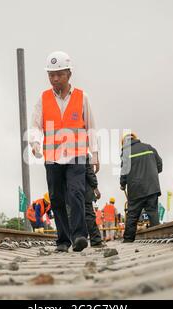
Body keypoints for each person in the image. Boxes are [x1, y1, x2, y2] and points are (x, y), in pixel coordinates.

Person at [29, 51, 99, 252]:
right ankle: (63, 240)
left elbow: (91, 127)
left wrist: (94, 154)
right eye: (51, 75)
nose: (55, 79)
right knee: (57, 197)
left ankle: (79, 236)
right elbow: (35, 124)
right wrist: (34, 142)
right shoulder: (43, 98)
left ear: (69, 74)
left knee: (76, 192)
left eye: (59, 74)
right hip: (52, 156)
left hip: (77, 154)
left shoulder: (81, 96)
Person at [120, 133, 162, 242]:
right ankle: (157, 237)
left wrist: (122, 184)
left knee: (132, 215)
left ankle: (128, 240)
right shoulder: (149, 147)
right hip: (152, 187)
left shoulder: (126, 153)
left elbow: (124, 171)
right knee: (153, 213)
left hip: (135, 189)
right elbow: (160, 165)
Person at [84, 156, 104, 247]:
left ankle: (76, 239)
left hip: (70, 191)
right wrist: (95, 187)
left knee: (72, 215)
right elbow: (89, 172)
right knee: (88, 214)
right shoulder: (84, 153)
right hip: (85, 189)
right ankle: (95, 240)